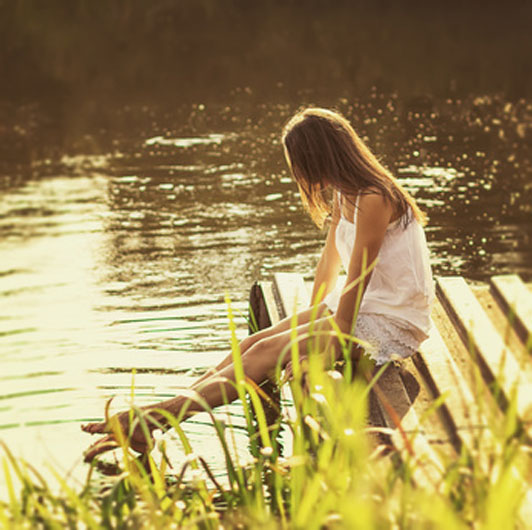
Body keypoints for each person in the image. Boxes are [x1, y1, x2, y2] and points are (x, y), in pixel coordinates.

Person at [82, 107, 434, 461]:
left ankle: (152, 418)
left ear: (325, 155)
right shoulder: (346, 193)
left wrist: (312, 347)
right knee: (251, 344)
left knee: (262, 356)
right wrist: (309, 320)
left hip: (391, 321)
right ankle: (157, 421)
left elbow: (356, 283)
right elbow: (329, 263)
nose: (304, 175)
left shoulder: (375, 197)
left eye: (305, 163)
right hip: (364, 306)